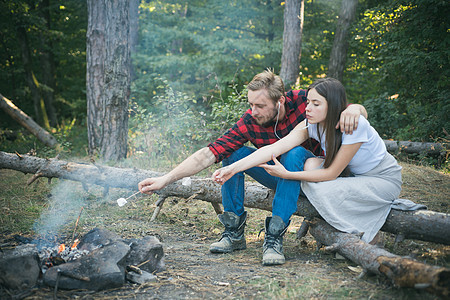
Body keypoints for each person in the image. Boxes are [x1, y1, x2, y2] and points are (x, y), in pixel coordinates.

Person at [139, 70, 368, 266]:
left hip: (313, 179)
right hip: (277, 176)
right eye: (250, 104)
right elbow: (209, 153)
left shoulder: (305, 103)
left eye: (260, 105)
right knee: (233, 152)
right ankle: (234, 232)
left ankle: (275, 236)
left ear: (280, 101)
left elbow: (348, 109)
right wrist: (166, 179)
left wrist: (355, 109)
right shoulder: (250, 121)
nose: (253, 111)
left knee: (294, 152)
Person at [213, 77, 425, 247]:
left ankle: (365, 234)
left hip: (381, 178)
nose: (308, 108)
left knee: (318, 186)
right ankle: (234, 233)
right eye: (307, 103)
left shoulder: (353, 125)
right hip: (352, 177)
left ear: (331, 106)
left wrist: (288, 175)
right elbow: (274, 149)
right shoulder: (311, 125)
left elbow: (331, 173)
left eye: (316, 104)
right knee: (305, 166)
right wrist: (233, 168)